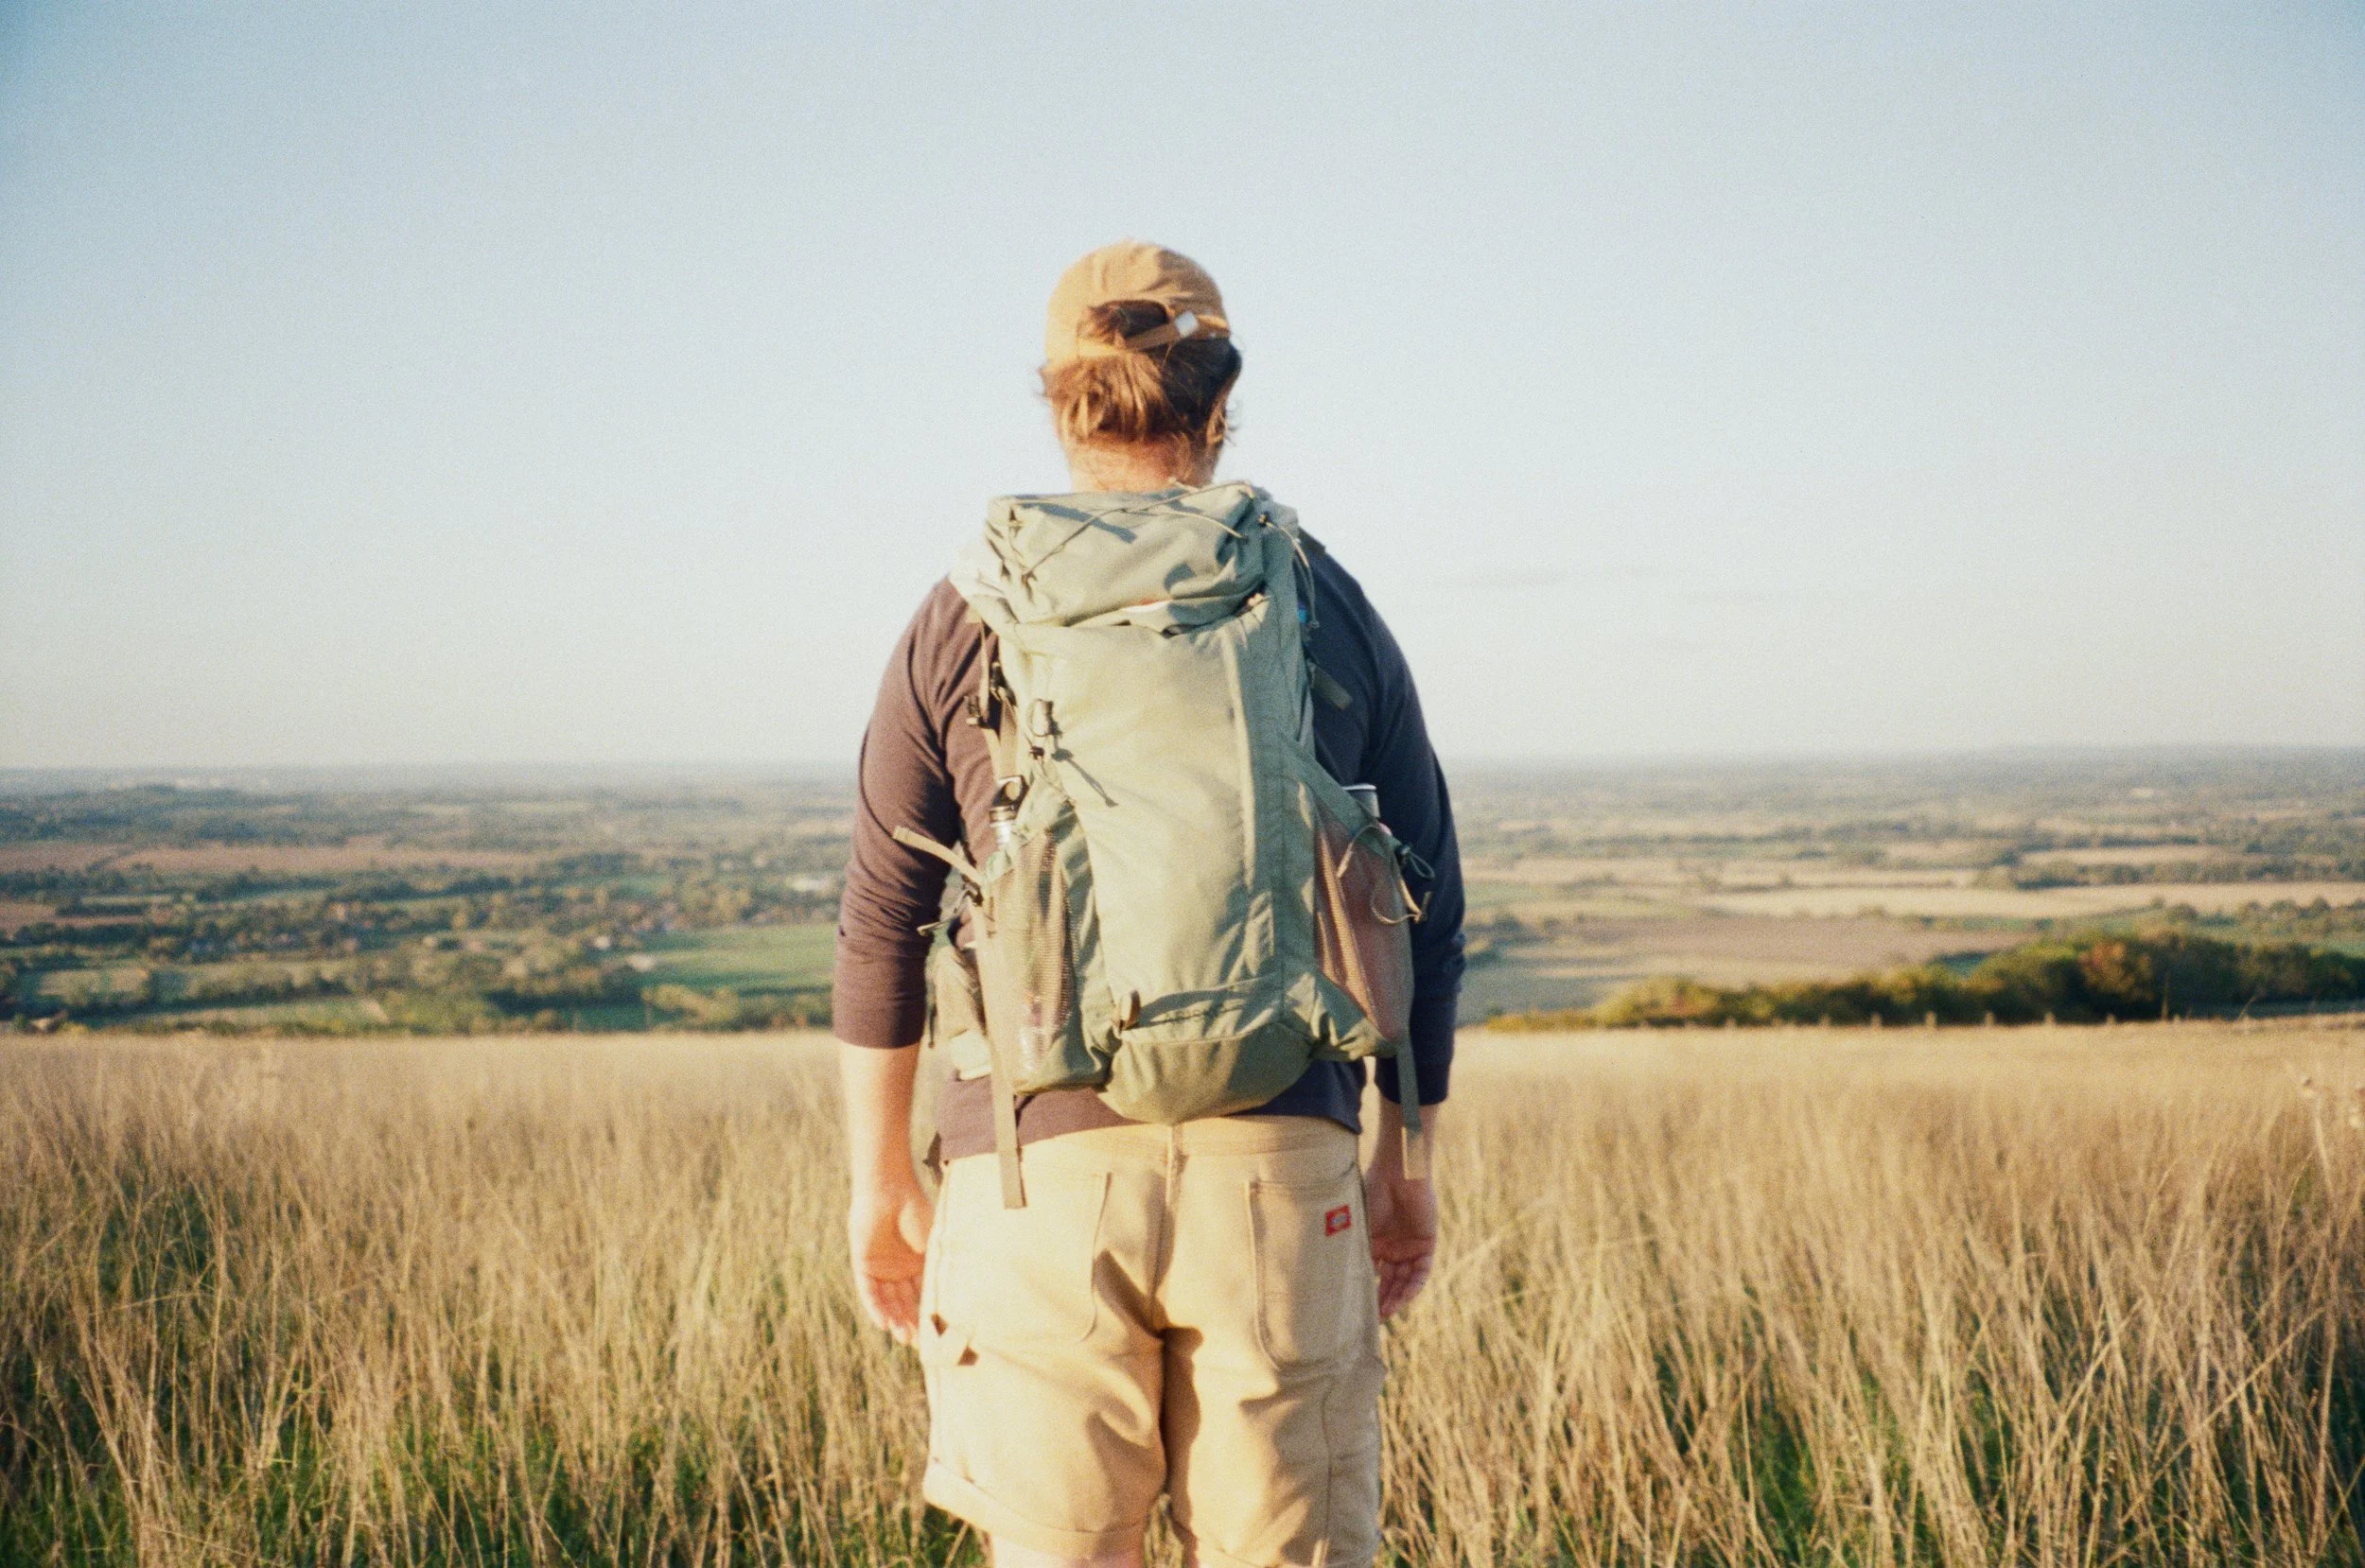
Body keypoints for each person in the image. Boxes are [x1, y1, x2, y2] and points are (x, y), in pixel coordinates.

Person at [833, 240, 1464, 1568]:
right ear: (1222, 405)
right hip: (1284, 1171)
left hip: (1033, 1178)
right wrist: (1404, 1161)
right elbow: (1427, 897)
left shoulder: (965, 610)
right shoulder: (1322, 600)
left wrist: (880, 1176)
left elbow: (884, 913)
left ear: (1059, 401)